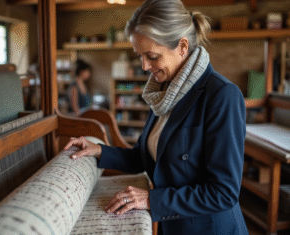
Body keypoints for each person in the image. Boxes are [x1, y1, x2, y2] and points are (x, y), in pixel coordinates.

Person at [64, 0, 248, 234]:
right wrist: (99, 150)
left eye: (151, 56)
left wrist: (152, 200)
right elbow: (145, 157)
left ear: (182, 46)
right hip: (172, 226)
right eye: (140, 56)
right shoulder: (163, 92)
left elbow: (223, 193)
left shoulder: (222, 96)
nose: (144, 66)